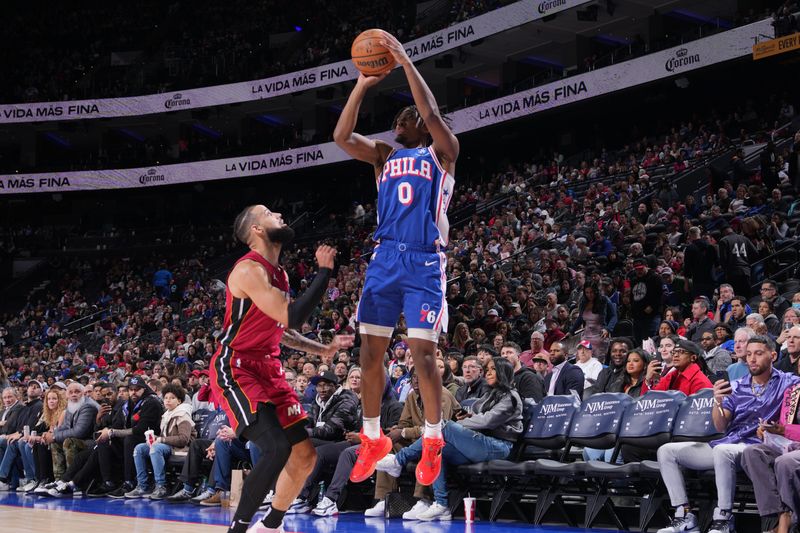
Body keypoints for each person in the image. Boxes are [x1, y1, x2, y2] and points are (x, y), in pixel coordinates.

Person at [334, 29, 459, 487]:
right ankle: (372, 438)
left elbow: (427, 109)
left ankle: (432, 438)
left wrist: (405, 61)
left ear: (422, 126)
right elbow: (341, 134)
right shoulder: (384, 156)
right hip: (384, 259)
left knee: (423, 357)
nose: (396, 124)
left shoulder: (442, 154)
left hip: (424, 262)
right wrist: (364, 83)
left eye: (404, 119)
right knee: (370, 355)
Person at [211, 205, 352, 533]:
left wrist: (321, 349)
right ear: (257, 230)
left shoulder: (281, 275)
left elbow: (282, 329)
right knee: (276, 448)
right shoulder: (248, 270)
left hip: (269, 368)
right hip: (236, 367)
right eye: (269, 213)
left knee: (305, 457)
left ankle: (270, 525)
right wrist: (324, 272)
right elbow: (293, 317)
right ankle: (239, 529)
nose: (279, 215)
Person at [656, 336, 800, 533]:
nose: (752, 359)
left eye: (758, 353)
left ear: (773, 355)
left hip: (756, 446)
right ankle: (684, 515)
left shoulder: (788, 382)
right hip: (730, 442)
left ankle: (723, 517)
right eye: (748, 354)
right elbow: (720, 426)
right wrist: (718, 401)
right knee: (667, 451)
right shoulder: (738, 385)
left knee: (723, 451)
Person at [376, 357, 522, 521]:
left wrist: (459, 423)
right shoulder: (492, 394)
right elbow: (480, 415)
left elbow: (488, 420)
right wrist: (470, 416)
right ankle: (441, 505)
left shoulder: (511, 397)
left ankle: (398, 461)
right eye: (487, 369)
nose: (487, 372)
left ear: (504, 372)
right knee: (438, 448)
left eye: (493, 369)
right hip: (483, 444)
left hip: (500, 447)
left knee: (443, 426)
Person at [740, 380, 800, 533]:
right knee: (752, 453)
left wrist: (783, 430)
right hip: (788, 445)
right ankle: (781, 513)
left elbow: (785, 429)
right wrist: (768, 431)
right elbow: (784, 424)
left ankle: (787, 523)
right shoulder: (793, 391)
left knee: (784, 462)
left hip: (793, 449)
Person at [646, 339, 713, 395]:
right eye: (674, 352)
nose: (675, 355)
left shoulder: (700, 382)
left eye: (681, 352)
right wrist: (648, 380)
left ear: (693, 358)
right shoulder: (671, 376)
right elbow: (654, 398)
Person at [569, 282, 617, 359]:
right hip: (586, 335)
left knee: (596, 362)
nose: (589, 295)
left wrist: (608, 329)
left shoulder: (604, 300)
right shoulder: (583, 302)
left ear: (596, 291)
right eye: (587, 292)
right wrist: (571, 331)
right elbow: (580, 318)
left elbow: (614, 316)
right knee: (582, 359)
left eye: (591, 292)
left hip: (600, 335)